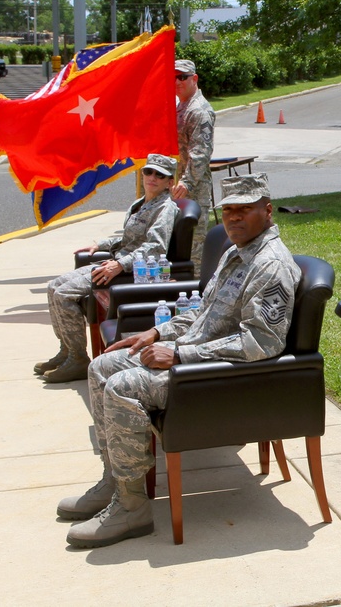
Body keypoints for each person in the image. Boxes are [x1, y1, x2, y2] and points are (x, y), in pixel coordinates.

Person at [59, 173, 300, 548]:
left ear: (267, 211)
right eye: (228, 211)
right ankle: (118, 481)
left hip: (217, 379)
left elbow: (262, 343)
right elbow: (203, 312)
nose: (234, 218)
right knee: (101, 367)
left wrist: (180, 353)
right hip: (191, 360)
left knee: (123, 386)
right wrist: (156, 333)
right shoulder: (236, 252)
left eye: (245, 210)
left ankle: (132, 507)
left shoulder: (271, 265)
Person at [38, 154, 179, 384]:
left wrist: (120, 264)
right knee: (54, 286)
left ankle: (77, 359)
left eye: (160, 175)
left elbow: (155, 247)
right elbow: (127, 238)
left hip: (132, 270)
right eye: (148, 172)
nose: (152, 178)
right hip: (115, 262)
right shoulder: (140, 203)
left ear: (169, 182)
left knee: (64, 295)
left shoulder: (165, 208)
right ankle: (66, 350)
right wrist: (101, 245)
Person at [171, 58, 216, 277]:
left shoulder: (199, 111)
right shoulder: (180, 106)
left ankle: (195, 298)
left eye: (182, 77)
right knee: (178, 246)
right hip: (178, 187)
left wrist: (186, 182)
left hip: (193, 190)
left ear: (194, 79)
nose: (177, 82)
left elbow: (201, 153)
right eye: (173, 78)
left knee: (194, 251)